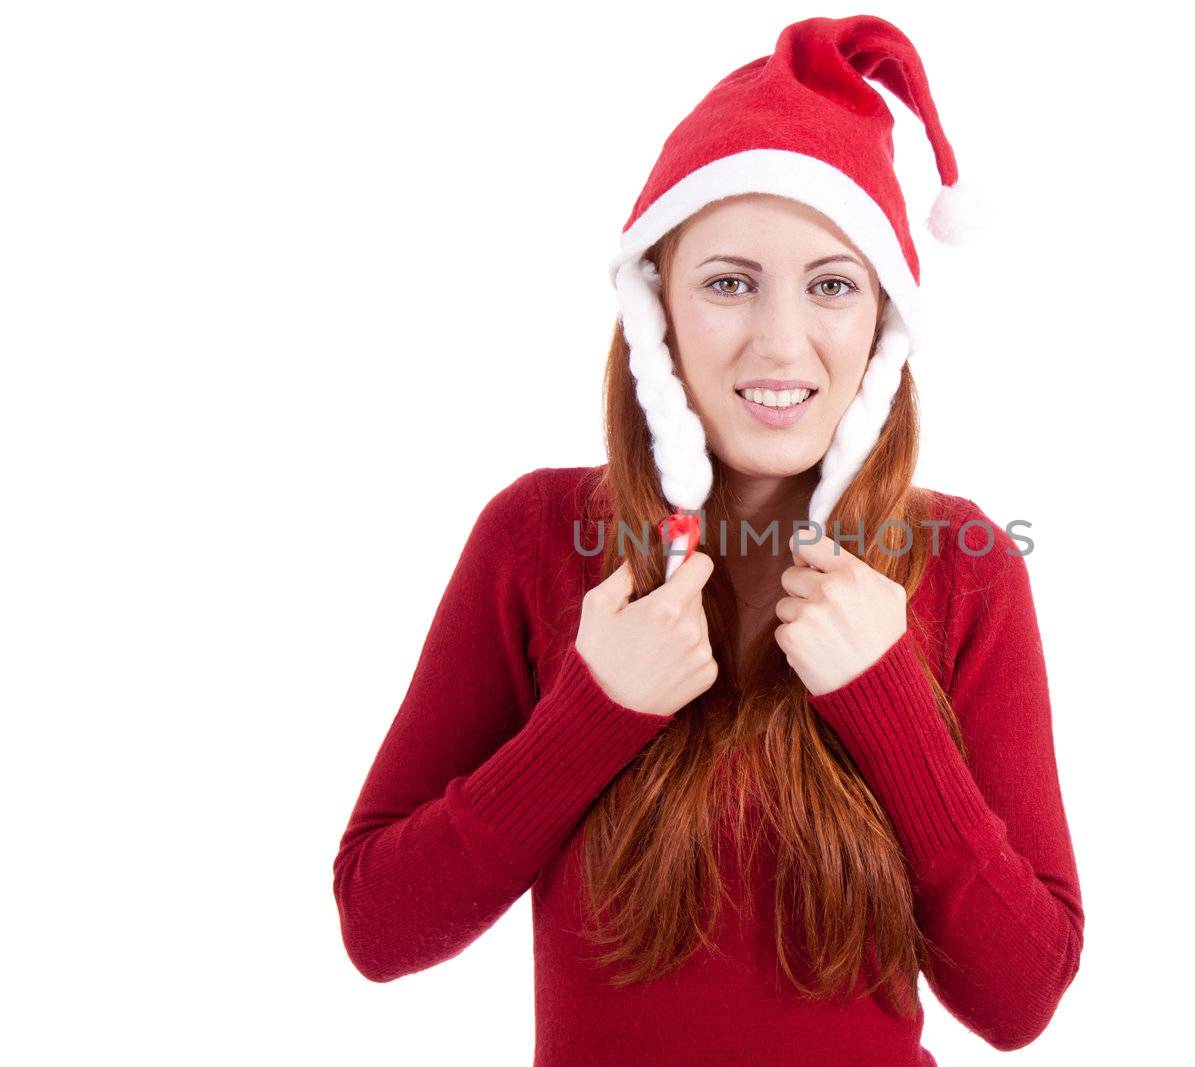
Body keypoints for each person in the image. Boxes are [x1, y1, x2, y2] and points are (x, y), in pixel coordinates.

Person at [333, 14, 1084, 1066]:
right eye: (729, 281)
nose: (781, 343)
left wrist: (887, 696)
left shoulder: (964, 564)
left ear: (881, 321)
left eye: (832, 284)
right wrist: (591, 714)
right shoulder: (537, 539)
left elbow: (1019, 996)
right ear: (658, 313)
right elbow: (378, 923)